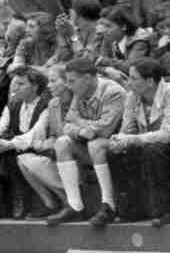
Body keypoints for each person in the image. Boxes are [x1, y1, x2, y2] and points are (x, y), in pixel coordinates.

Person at [107, 58, 170, 227]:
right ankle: (130, 210)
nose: (128, 82)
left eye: (133, 78)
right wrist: (119, 139)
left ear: (150, 81)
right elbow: (127, 127)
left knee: (154, 151)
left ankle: (165, 211)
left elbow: (167, 134)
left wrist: (131, 139)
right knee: (115, 152)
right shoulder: (132, 96)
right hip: (146, 143)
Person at [48, 58, 126, 227]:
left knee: (95, 144)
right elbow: (67, 125)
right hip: (91, 142)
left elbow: (106, 129)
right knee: (62, 143)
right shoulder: (79, 92)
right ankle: (75, 206)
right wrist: (83, 130)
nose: (68, 86)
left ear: (89, 78)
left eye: (72, 81)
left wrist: (80, 123)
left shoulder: (113, 92)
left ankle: (108, 205)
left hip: (118, 145)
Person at [0, 66, 52, 219]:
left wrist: (8, 144)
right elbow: (1, 127)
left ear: (35, 86)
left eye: (21, 84)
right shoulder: (14, 103)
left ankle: (19, 197)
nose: (15, 87)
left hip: (39, 145)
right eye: (14, 83)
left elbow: (36, 134)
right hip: (18, 144)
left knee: (8, 151)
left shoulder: (46, 104)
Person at [15, 64, 71, 218]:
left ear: (67, 82)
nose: (49, 85)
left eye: (53, 81)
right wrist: (46, 143)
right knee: (23, 159)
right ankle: (51, 204)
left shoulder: (76, 101)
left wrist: (51, 142)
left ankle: (70, 203)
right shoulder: (53, 104)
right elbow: (51, 133)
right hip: (59, 151)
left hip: (74, 154)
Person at [96, 5, 151, 80]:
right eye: (103, 26)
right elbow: (98, 64)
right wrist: (106, 69)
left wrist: (103, 61)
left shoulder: (140, 41)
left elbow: (131, 68)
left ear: (123, 26)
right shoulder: (109, 37)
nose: (104, 30)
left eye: (108, 26)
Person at [55, 0, 105, 65]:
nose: (69, 12)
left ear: (76, 12)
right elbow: (63, 57)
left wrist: (73, 36)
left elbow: (85, 61)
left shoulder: (100, 30)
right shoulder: (77, 29)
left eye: (71, 9)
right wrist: (62, 34)